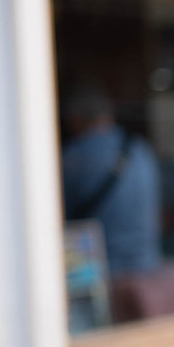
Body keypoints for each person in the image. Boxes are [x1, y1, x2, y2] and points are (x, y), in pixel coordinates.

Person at [61, 86, 161, 275]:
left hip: (103, 275)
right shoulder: (141, 150)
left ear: (74, 118)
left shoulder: (73, 158)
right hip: (148, 268)